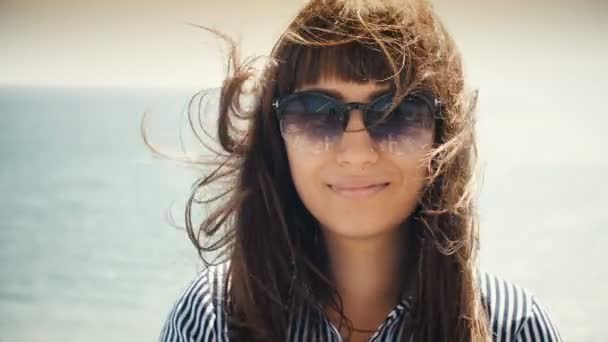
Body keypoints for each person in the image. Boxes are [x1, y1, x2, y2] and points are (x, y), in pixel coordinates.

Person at [155, 0, 562, 341]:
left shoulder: (512, 327)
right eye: (315, 113)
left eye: (397, 112)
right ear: (277, 139)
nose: (356, 152)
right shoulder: (213, 319)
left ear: (442, 135)